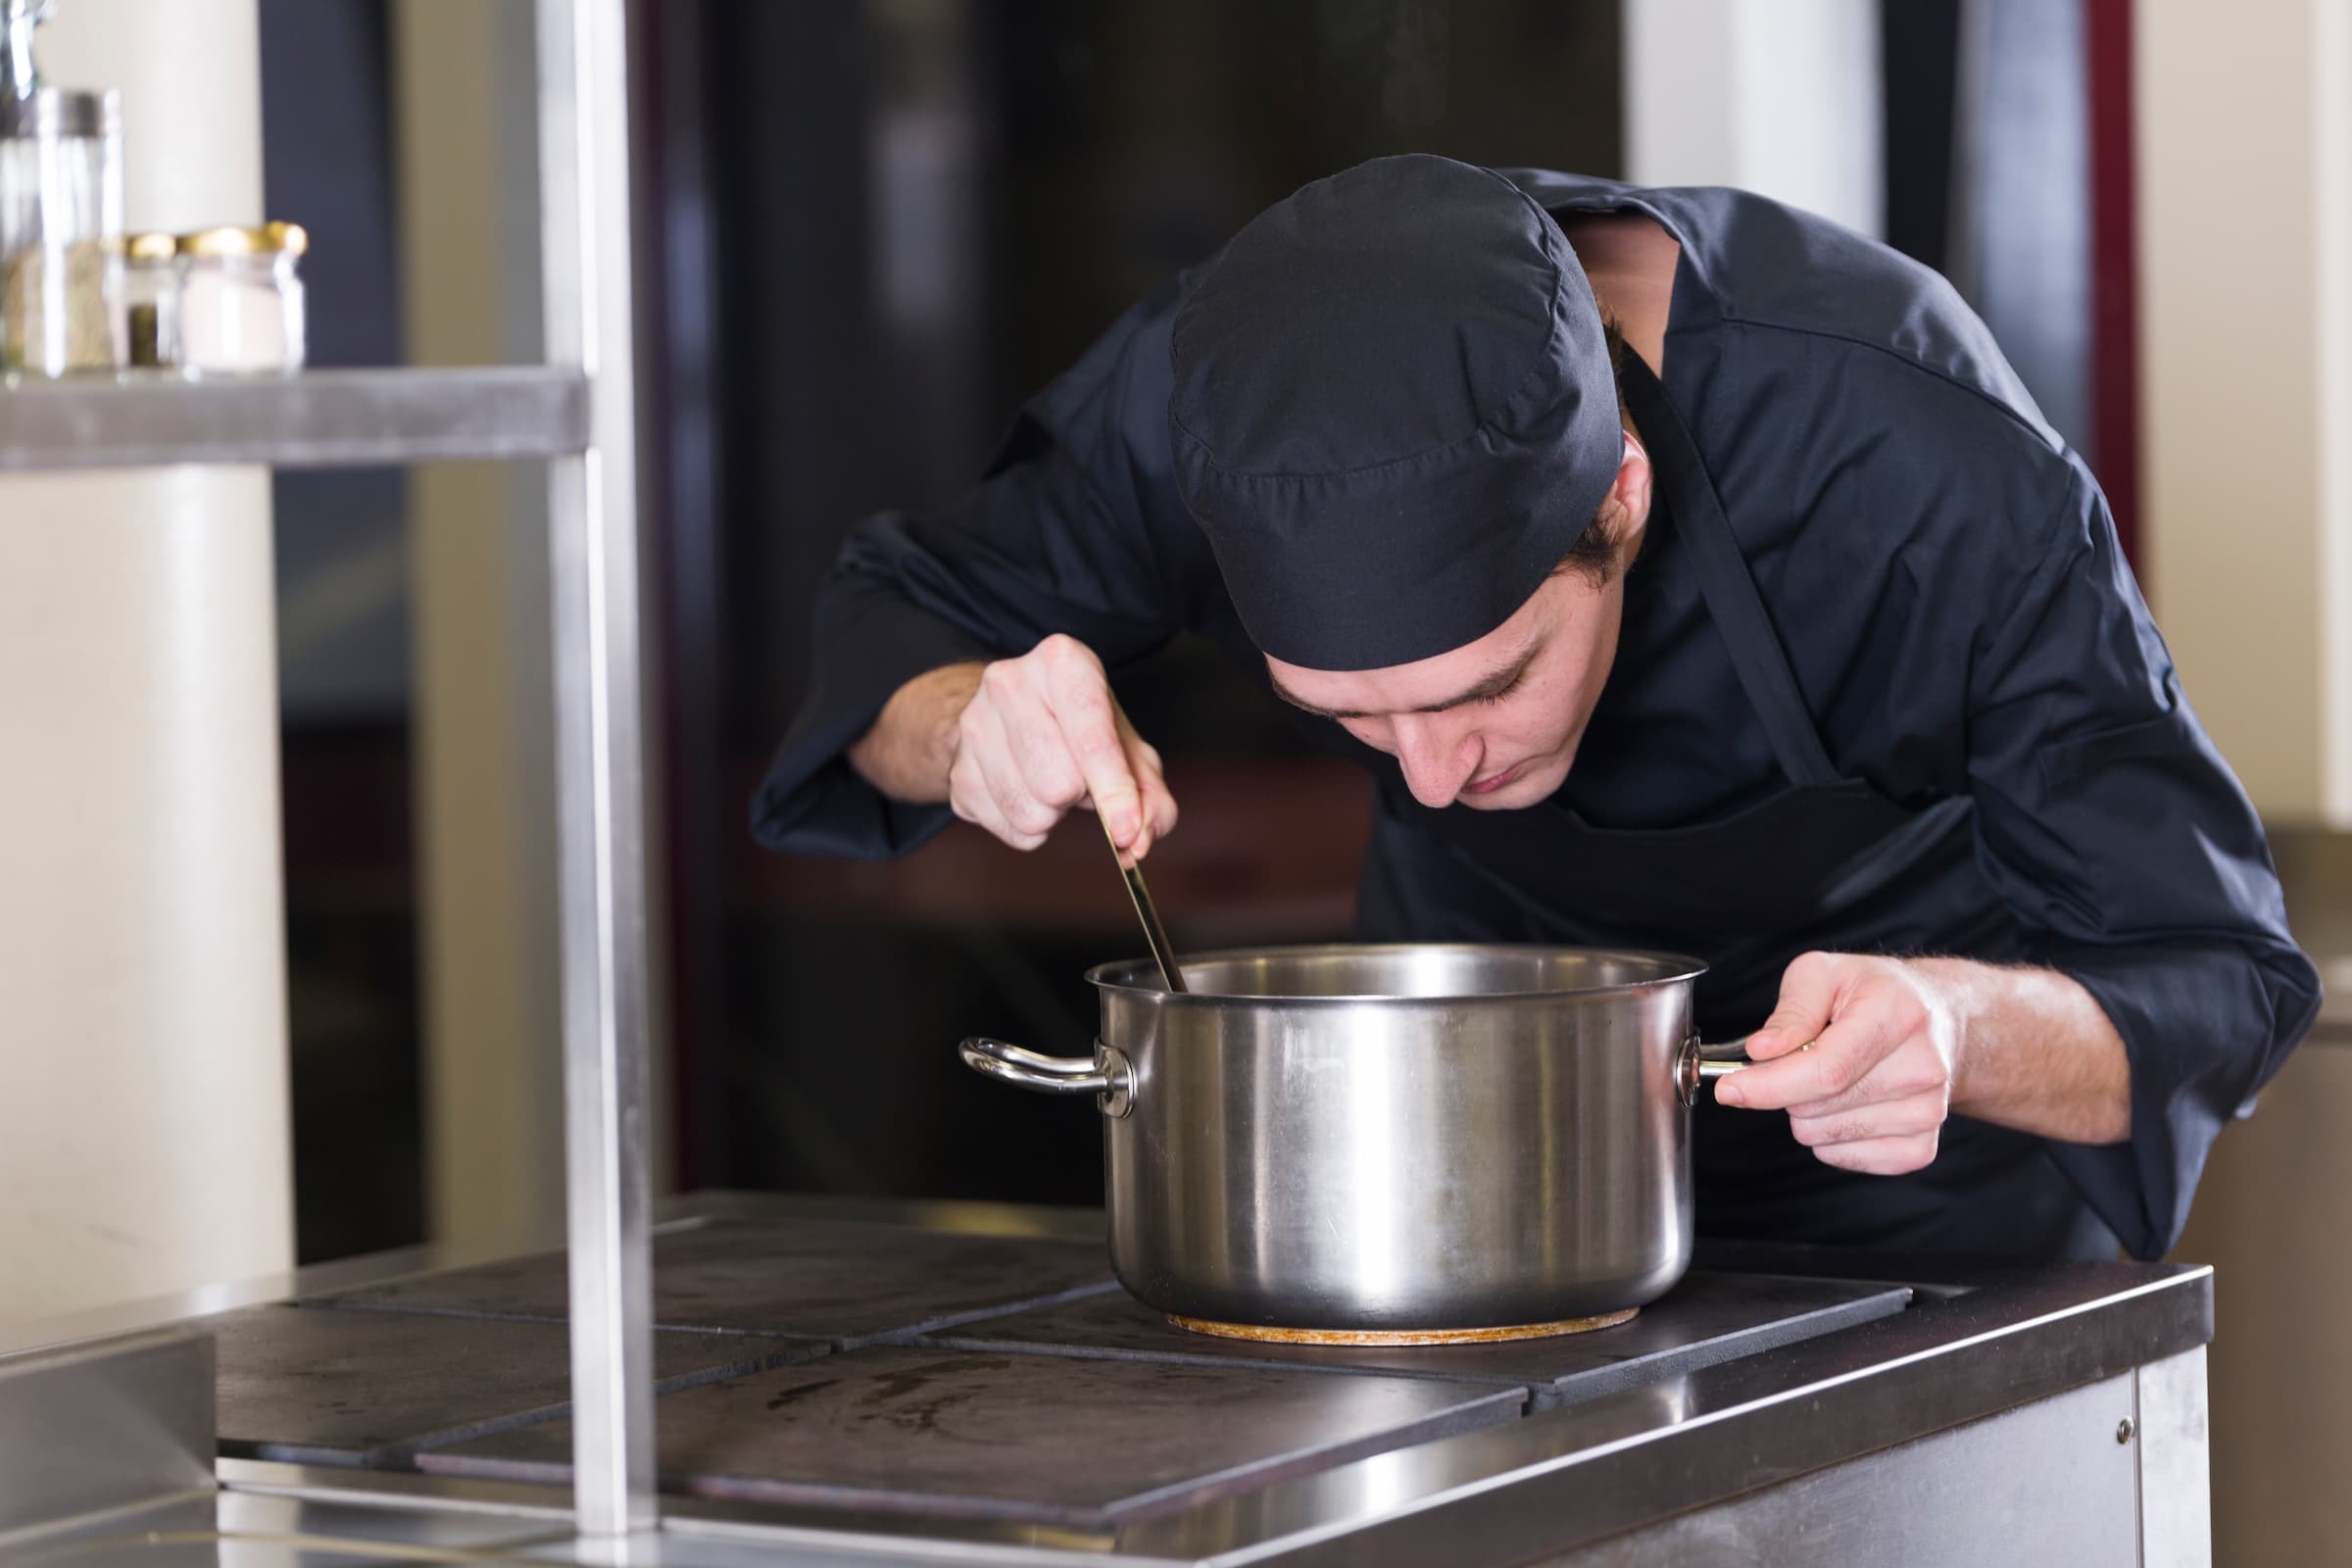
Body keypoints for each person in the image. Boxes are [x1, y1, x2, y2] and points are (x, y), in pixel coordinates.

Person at [753, 154, 2318, 1262]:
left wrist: (1960, 1029)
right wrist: (967, 723)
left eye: (1486, 685)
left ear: (1622, 500)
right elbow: (897, 631)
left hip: (1914, 1243)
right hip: (1449, 1225)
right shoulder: (1225, 396)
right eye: (1353, 720)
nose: (1431, 784)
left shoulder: (1917, 462)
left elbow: (2217, 984)